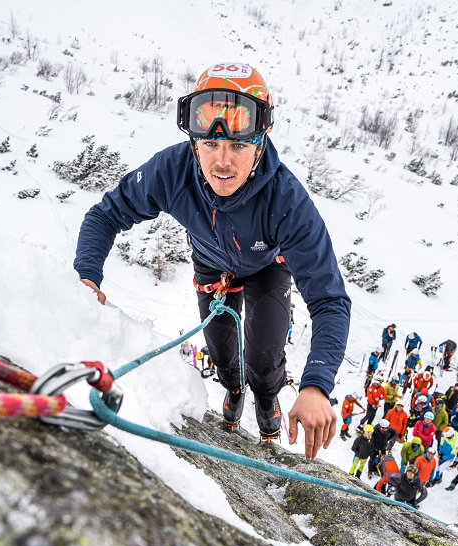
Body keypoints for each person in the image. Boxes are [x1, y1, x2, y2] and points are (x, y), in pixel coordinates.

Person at [73, 63, 351, 457]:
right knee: (220, 351)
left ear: (260, 140)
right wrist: (87, 276)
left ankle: (266, 396)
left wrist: (315, 385)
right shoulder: (172, 171)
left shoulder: (287, 201)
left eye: (238, 145)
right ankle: (233, 389)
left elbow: (329, 301)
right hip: (210, 262)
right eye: (210, 144)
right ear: (194, 142)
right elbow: (106, 215)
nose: (222, 161)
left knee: (264, 357)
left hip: (266, 268)